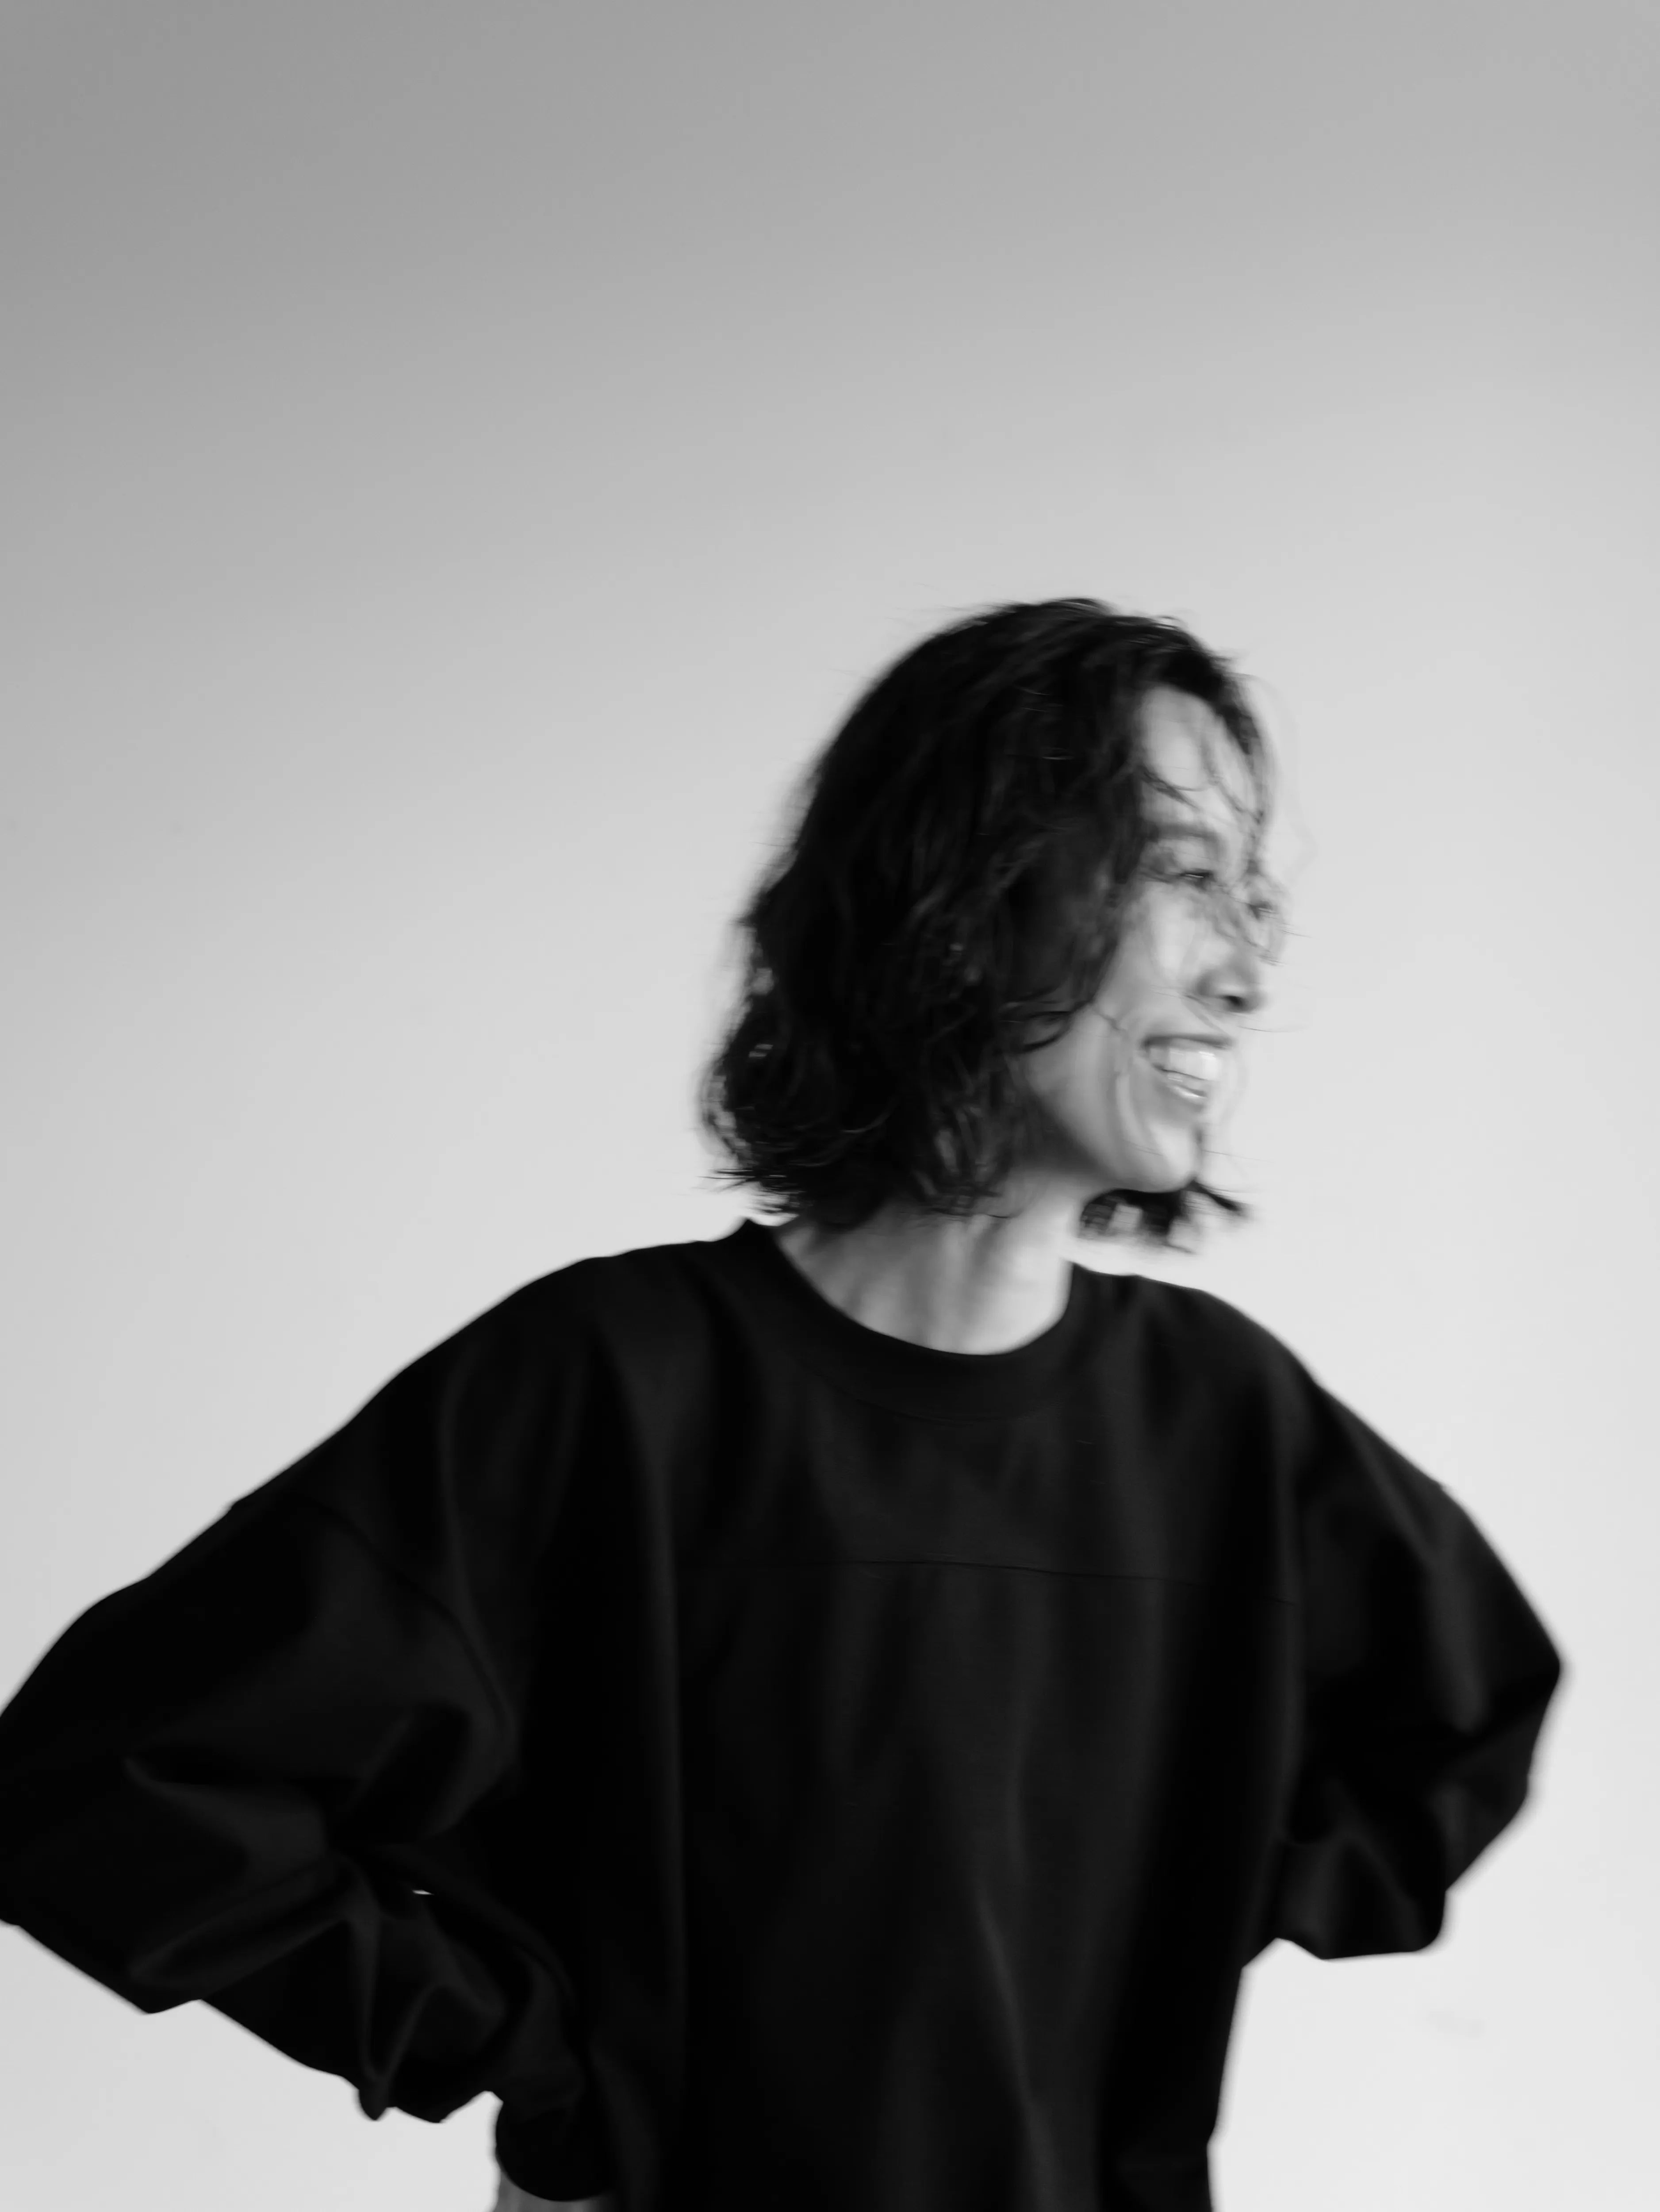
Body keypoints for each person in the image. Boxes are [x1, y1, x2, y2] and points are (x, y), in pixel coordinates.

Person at [0, 599, 1564, 2212]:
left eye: (1253, 896)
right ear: (965, 900)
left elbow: (1460, 1720)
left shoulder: (1225, 1424)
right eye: (1181, 872)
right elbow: (109, 1784)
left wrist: (1175, 1895)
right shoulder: (607, 1390)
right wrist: (541, 2057)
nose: (1245, 970)